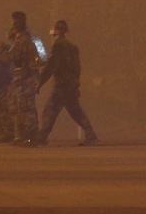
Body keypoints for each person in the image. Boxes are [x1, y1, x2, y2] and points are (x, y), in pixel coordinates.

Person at [36, 19, 99, 147]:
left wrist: (39, 83)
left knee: (52, 109)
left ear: (56, 31)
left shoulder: (58, 46)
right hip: (71, 84)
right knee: (70, 110)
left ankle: (42, 136)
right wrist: (76, 83)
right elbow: (77, 68)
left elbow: (51, 67)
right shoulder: (73, 47)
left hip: (61, 84)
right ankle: (90, 134)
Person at [4, 11, 42, 147]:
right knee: (15, 105)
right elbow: (42, 57)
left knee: (26, 108)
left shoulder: (23, 40)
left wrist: (0, 48)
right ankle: (20, 136)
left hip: (25, 77)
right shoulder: (33, 39)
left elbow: (10, 57)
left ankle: (32, 138)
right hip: (22, 77)